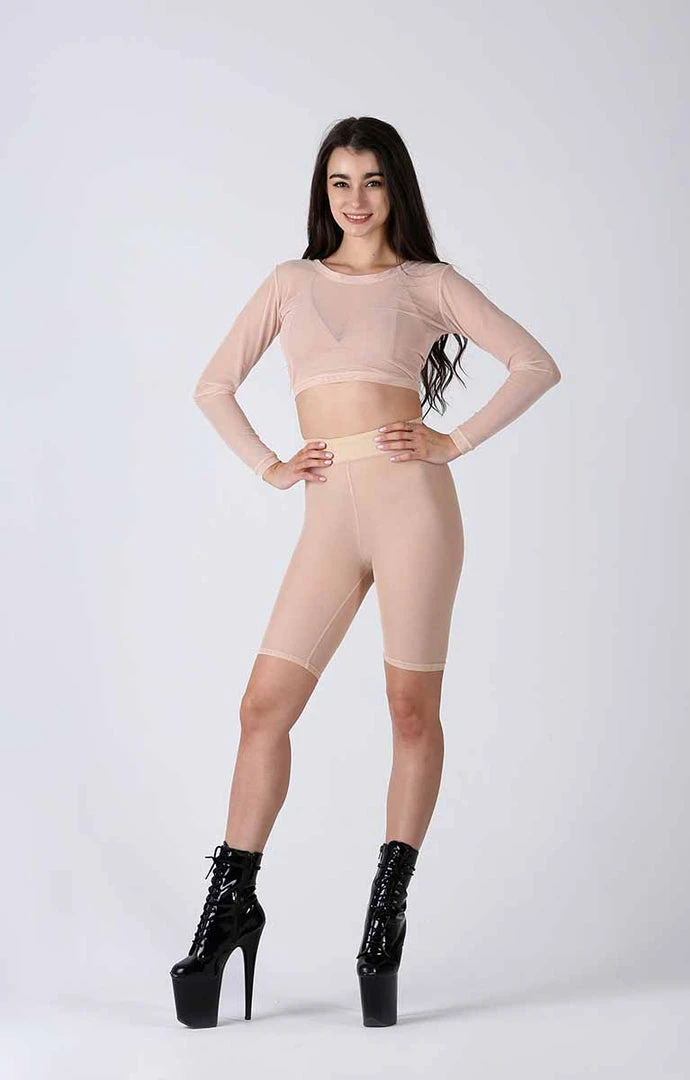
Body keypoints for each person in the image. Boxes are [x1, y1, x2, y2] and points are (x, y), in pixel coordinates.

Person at [170, 116, 562, 1029]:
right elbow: (211, 386)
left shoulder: (428, 283)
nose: (355, 199)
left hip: (413, 507)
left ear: (396, 190)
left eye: (373, 181)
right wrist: (270, 465)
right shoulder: (291, 282)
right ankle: (230, 908)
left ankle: (384, 922)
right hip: (327, 517)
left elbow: (535, 363)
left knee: (409, 711)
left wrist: (454, 441)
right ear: (324, 191)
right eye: (340, 182)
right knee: (262, 708)